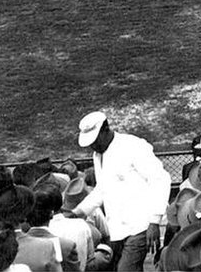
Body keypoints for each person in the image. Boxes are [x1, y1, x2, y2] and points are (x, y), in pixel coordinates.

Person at [70, 112, 170, 272]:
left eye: (95, 141)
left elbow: (160, 179)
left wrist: (155, 221)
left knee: (126, 269)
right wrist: (78, 212)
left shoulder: (133, 146)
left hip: (140, 224)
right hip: (116, 228)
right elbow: (102, 189)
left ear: (105, 129)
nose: (93, 146)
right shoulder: (98, 155)